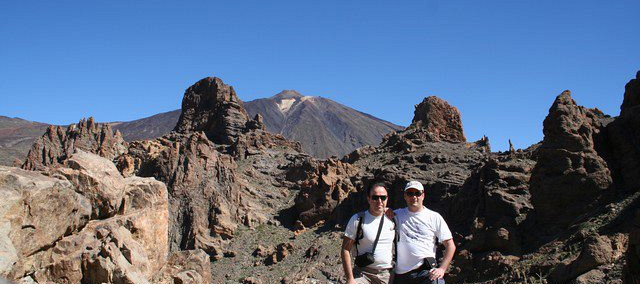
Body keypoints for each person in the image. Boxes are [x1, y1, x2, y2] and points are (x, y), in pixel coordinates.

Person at [393, 181, 456, 284]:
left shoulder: (434, 217)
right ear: (405, 196)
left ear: (423, 195)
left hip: (426, 273)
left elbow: (450, 245)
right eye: (410, 193)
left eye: (417, 193)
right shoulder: (396, 215)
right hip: (401, 274)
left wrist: (442, 269)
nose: (414, 197)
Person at [341, 183, 395, 284]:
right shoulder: (357, 219)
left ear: (387, 198)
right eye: (375, 197)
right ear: (368, 199)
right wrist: (350, 279)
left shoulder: (394, 218)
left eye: (383, 198)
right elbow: (345, 249)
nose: (379, 201)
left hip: (387, 275)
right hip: (363, 274)